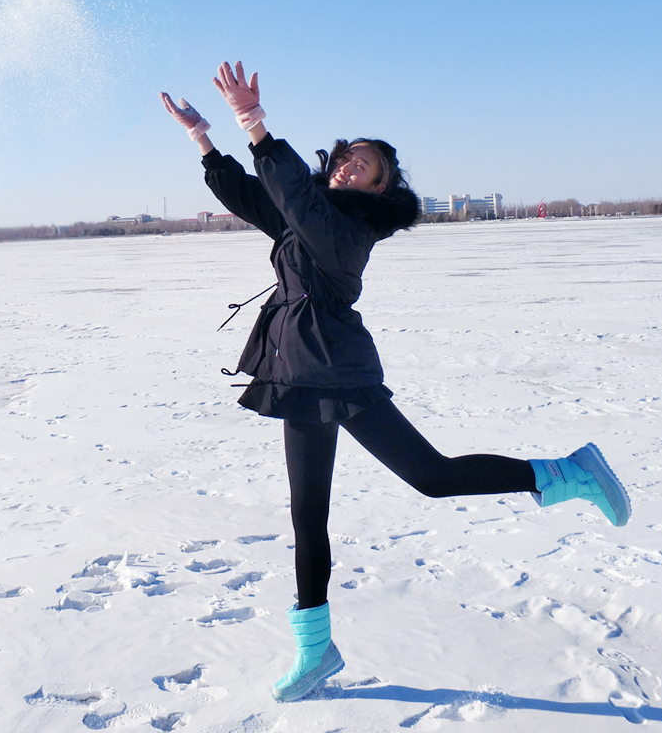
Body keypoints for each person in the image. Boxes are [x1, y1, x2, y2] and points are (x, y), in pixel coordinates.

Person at [160, 61, 631, 703]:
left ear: (380, 190)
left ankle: (567, 471)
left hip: (340, 372)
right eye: (348, 158)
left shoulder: (349, 228)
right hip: (297, 374)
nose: (350, 167)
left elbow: (293, 198)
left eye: (366, 167)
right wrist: (206, 142)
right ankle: (315, 648)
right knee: (308, 517)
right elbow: (253, 198)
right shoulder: (308, 216)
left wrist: (255, 124)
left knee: (430, 477)